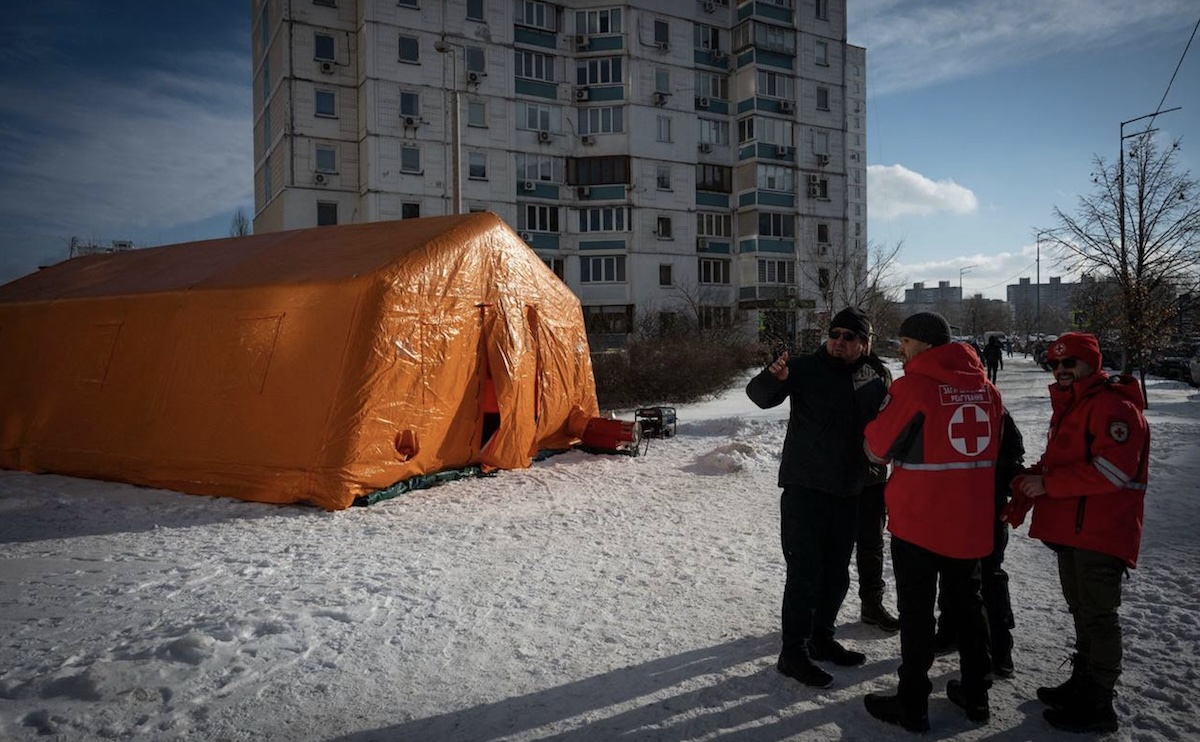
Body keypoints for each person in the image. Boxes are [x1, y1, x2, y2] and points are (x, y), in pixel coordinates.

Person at [861, 312, 1005, 732]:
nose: (901, 350)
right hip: (971, 521)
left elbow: (876, 448)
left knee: (918, 612)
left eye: (904, 342)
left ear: (922, 344)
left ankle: (913, 703)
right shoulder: (988, 390)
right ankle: (977, 696)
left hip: (920, 521)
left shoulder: (914, 387)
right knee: (968, 606)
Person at [1003, 332, 1149, 733]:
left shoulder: (1112, 407)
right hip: (1074, 531)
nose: (1062, 370)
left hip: (1100, 533)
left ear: (1092, 363)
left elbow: (1114, 471)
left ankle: (1100, 702)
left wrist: (1048, 486)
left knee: (1100, 617)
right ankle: (1083, 683)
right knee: (1081, 611)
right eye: (1055, 364)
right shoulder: (1076, 405)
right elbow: (1059, 462)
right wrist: (1027, 481)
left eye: (1070, 363)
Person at [746, 307, 889, 689]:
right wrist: (770, 378)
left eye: (849, 336)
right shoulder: (806, 367)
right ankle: (793, 652)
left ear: (864, 343)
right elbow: (760, 397)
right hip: (805, 488)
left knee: (836, 573)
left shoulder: (872, 377)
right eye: (835, 333)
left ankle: (822, 638)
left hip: (849, 488)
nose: (839, 341)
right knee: (805, 572)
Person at [932, 410, 1026, 678]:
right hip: (949, 502)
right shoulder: (943, 397)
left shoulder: (991, 402)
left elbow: (1012, 452)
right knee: (950, 569)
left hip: (987, 504)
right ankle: (949, 631)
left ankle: (999, 647)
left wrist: (1006, 482)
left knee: (990, 575)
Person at [857, 352, 902, 634]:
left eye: (857, 336)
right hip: (833, 477)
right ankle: (819, 613)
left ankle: (872, 604)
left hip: (871, 476)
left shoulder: (880, 373)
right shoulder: (825, 369)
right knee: (828, 549)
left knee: (871, 545)